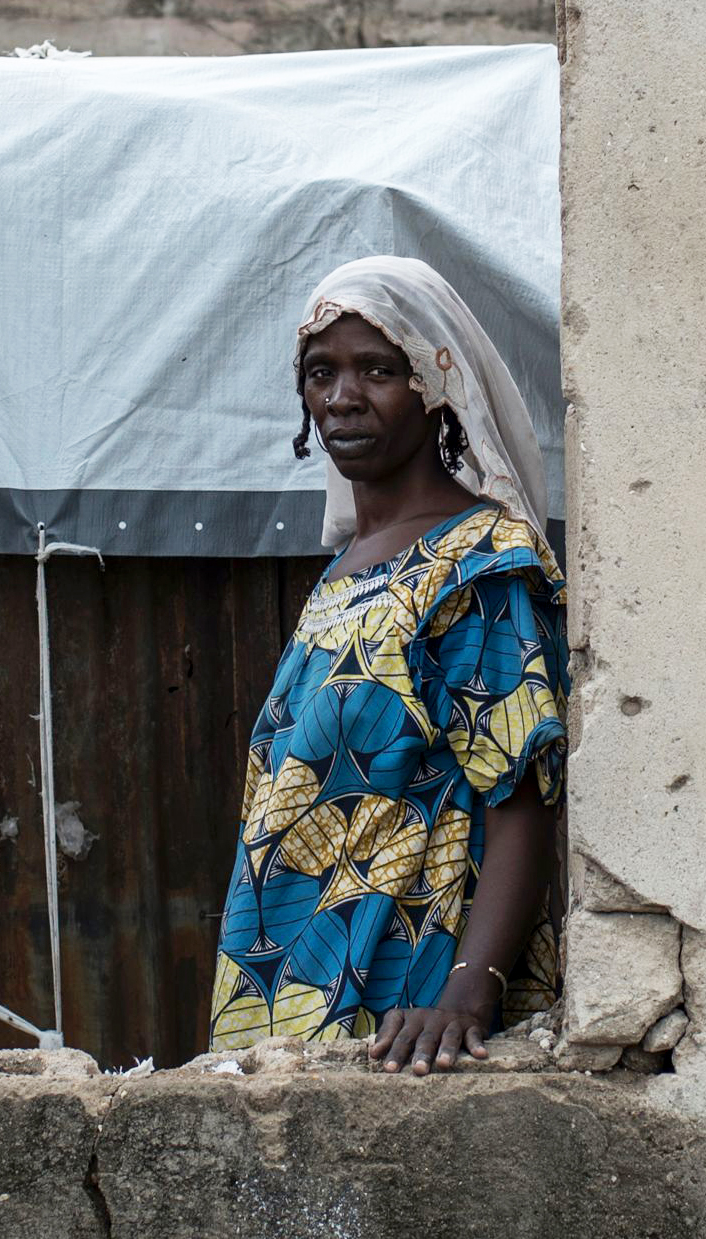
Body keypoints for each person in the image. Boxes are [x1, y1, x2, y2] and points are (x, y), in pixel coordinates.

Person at [206, 256, 568, 1075]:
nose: (342, 397)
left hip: (406, 1006)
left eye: (379, 369)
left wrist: (468, 992)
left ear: (434, 382)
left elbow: (522, 792)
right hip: (284, 989)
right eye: (321, 372)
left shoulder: (479, 562)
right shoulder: (346, 571)